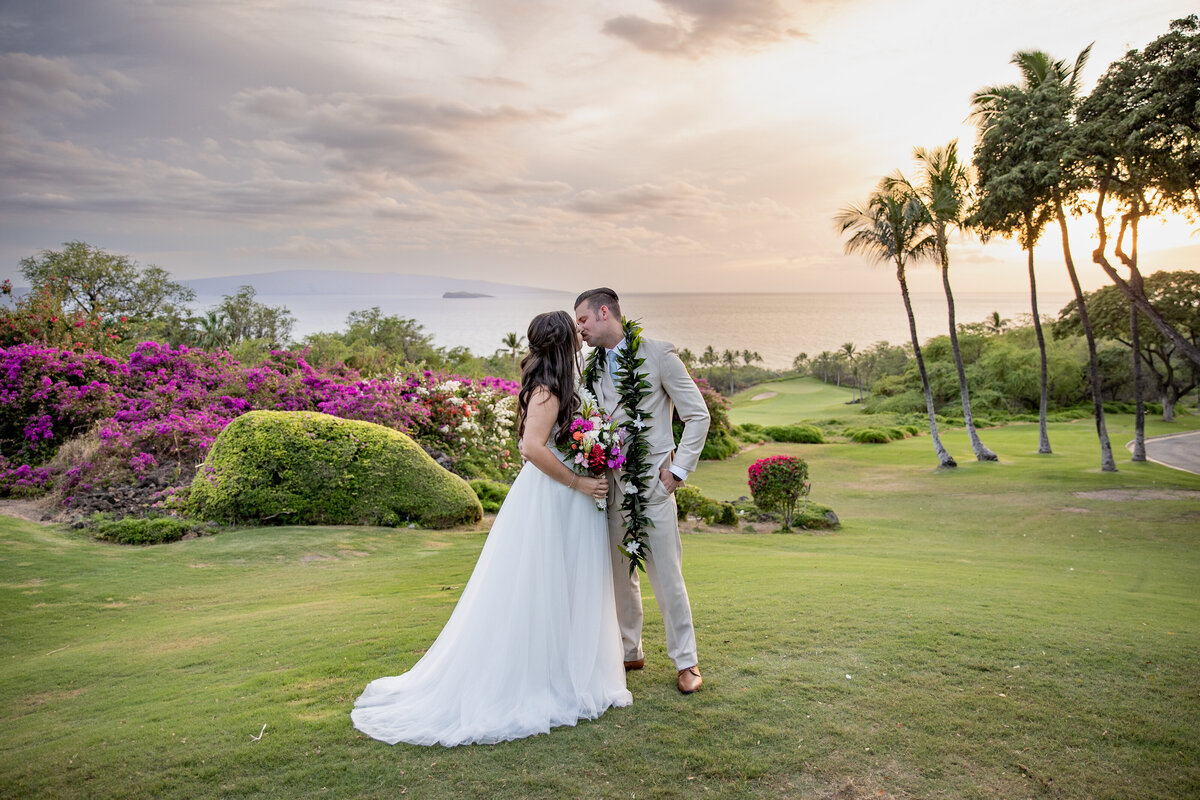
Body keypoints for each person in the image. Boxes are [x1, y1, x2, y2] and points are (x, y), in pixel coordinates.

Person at [351, 310, 632, 746]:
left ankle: (563, 669)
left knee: (564, 585)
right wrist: (579, 481)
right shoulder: (546, 388)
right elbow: (532, 447)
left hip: (568, 500)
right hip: (553, 498)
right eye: (573, 326)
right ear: (561, 339)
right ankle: (540, 681)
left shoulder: (561, 382)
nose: (581, 332)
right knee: (537, 586)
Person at [573, 288, 710, 694]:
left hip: (653, 486)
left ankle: (687, 662)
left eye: (582, 319)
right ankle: (629, 651)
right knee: (620, 578)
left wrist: (679, 470)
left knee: (667, 578)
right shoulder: (587, 366)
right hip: (609, 489)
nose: (578, 328)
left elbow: (697, 415)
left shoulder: (659, 355)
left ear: (603, 313)